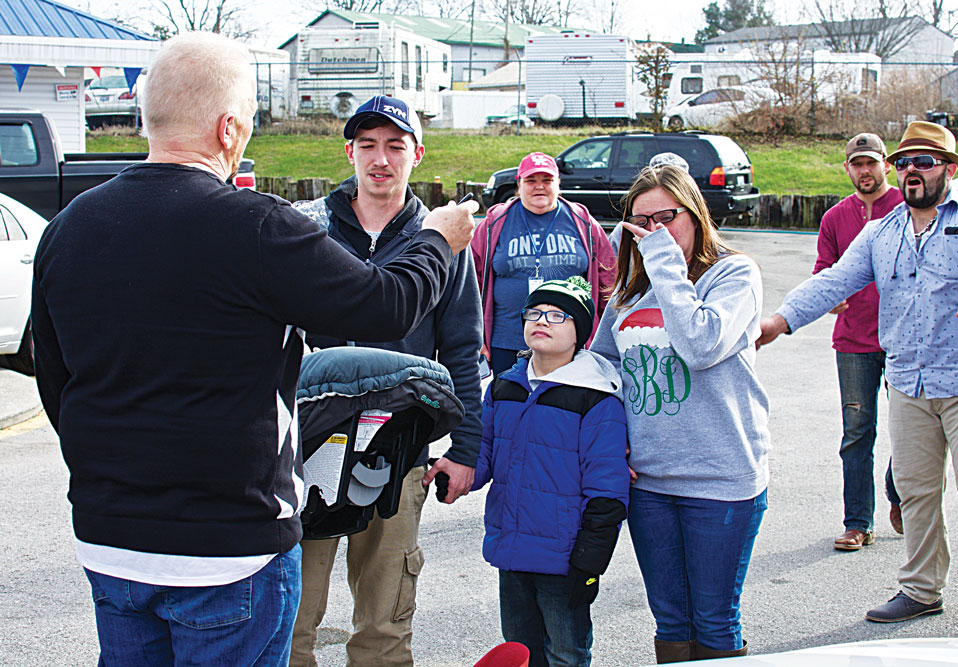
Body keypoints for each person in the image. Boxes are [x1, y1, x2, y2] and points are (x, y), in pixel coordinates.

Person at [30, 33, 477, 666]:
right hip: (231, 552)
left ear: (145, 117)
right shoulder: (258, 226)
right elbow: (387, 304)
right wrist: (438, 239)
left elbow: (59, 386)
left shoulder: (69, 228)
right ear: (230, 128)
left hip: (111, 546)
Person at [757, 121, 958, 639]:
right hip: (910, 383)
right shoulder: (881, 233)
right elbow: (836, 279)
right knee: (913, 490)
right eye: (905, 162)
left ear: (950, 169)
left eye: (925, 162)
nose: (912, 170)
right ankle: (920, 590)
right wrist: (779, 321)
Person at [289, 95, 483, 667]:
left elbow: (462, 352)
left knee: (385, 626)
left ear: (416, 155)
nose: (381, 158)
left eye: (395, 146)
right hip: (311, 450)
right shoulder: (307, 232)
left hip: (400, 451)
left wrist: (466, 448)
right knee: (292, 620)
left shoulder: (443, 240)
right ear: (348, 152)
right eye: (367, 145)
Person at [590, 165, 770, 663]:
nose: (653, 232)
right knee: (670, 620)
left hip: (721, 482)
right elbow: (604, 365)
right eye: (640, 221)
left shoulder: (733, 275)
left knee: (714, 618)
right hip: (648, 483)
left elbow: (700, 343)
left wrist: (665, 264)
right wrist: (610, 444)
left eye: (666, 218)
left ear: (696, 214)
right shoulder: (630, 290)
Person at [472, 277, 630, 667]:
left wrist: (589, 564)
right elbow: (483, 455)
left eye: (558, 315)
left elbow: (607, 491)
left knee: (565, 653)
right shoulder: (504, 387)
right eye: (535, 313)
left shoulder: (594, 397)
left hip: (564, 561)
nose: (543, 320)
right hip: (512, 552)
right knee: (522, 650)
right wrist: (449, 473)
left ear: (580, 331)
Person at [817, 133, 905, 551]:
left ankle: (901, 493)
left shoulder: (907, 210)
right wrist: (829, 296)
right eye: (857, 164)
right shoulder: (835, 218)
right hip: (853, 342)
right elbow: (824, 272)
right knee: (857, 432)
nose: (864, 171)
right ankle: (858, 522)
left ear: (885, 164)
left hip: (906, 338)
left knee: (911, 428)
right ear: (848, 168)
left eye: (871, 163)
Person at [471, 152, 616, 375]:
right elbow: (469, 283)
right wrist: (473, 337)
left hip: (570, 346)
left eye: (546, 180)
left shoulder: (583, 221)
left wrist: (610, 335)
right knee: (509, 406)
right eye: (531, 180)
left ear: (558, 183)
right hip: (506, 344)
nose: (539, 187)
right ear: (519, 184)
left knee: (563, 407)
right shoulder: (494, 222)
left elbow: (609, 280)